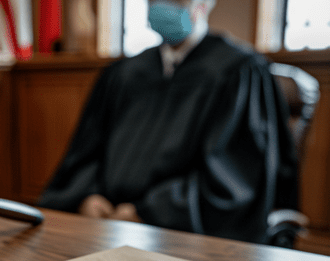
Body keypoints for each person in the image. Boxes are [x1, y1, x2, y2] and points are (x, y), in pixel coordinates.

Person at [38, 0, 298, 244]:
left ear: (203, 5)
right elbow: (86, 150)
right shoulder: (123, 73)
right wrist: (87, 195)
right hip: (103, 226)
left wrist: (150, 212)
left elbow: (235, 173)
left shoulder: (239, 72)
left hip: (178, 235)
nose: (163, 6)